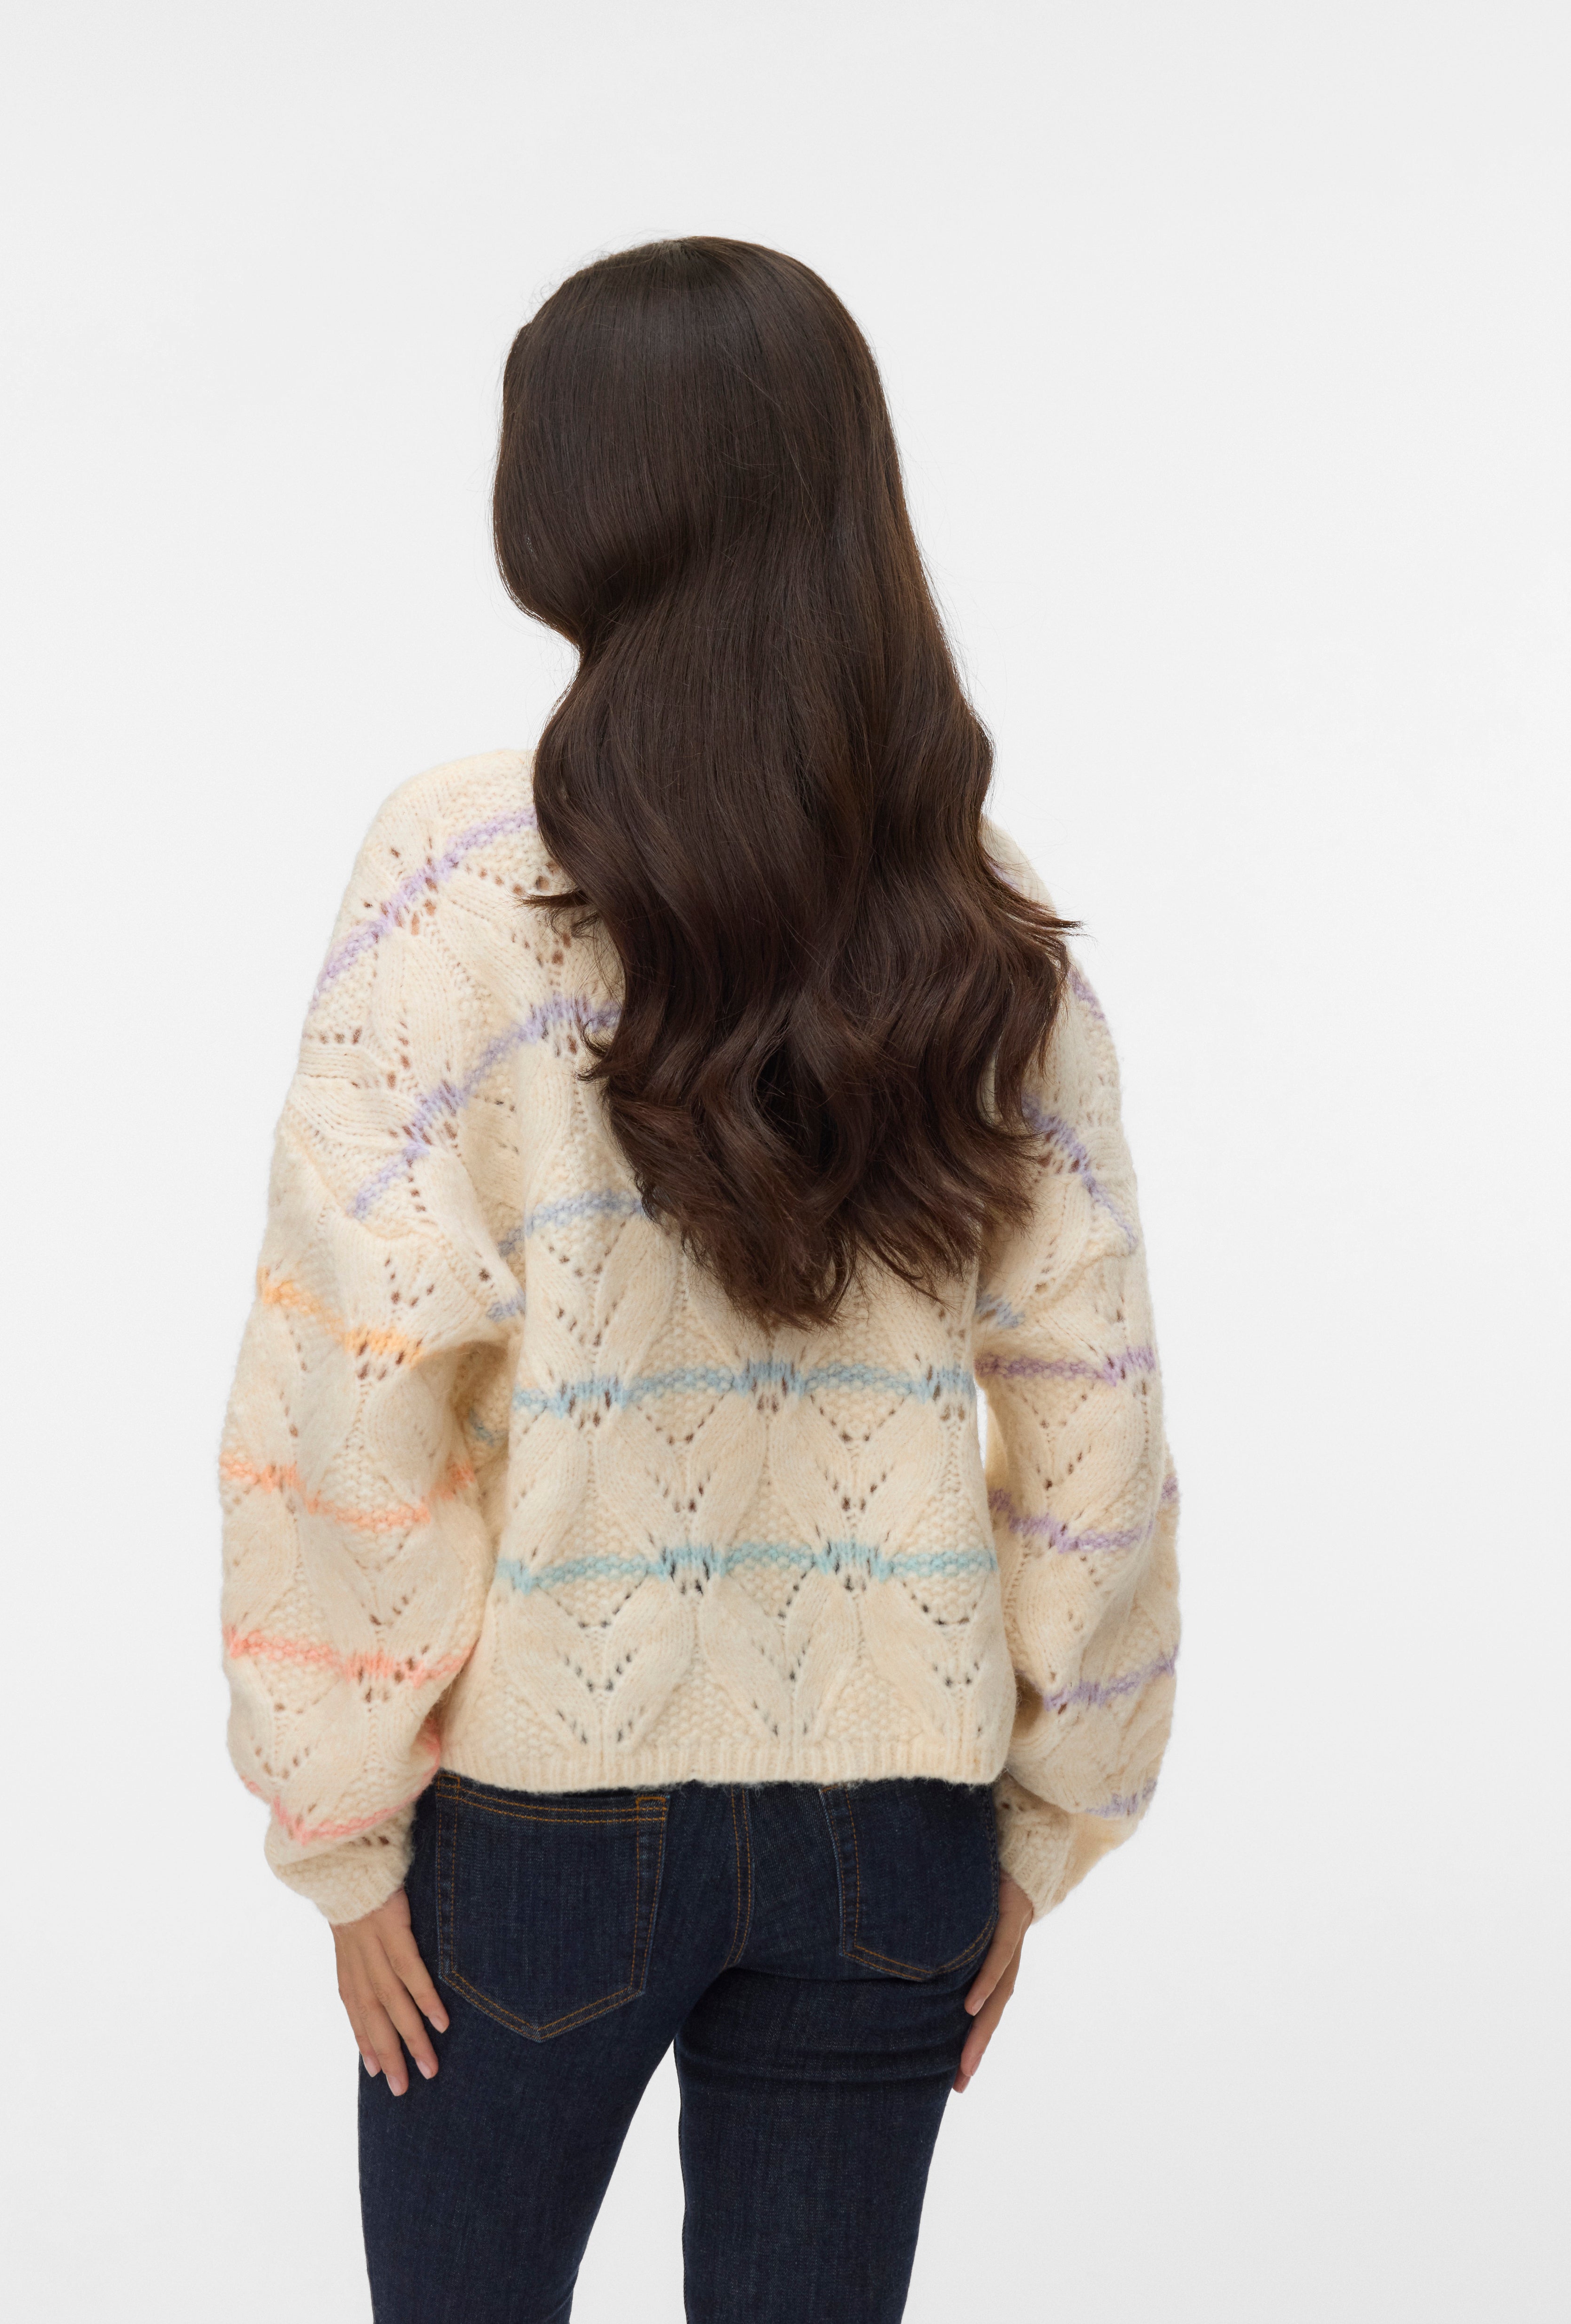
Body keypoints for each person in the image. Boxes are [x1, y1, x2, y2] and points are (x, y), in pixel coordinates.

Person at [217, 235, 1180, 2324]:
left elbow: (355, 1363)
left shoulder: (458, 871)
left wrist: (340, 1819)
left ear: (567, 500)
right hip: (897, 1826)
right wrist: (1046, 1818)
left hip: (539, 1828)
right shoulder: (978, 913)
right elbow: (1095, 1407)